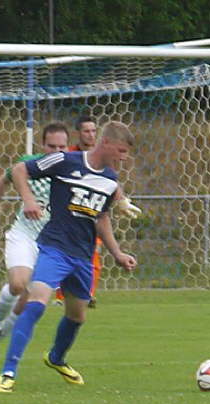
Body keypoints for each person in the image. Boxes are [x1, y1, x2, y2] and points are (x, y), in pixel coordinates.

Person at [0, 121, 137, 393]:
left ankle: (56, 358)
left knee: (77, 316)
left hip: (82, 256)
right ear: (105, 143)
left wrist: (117, 252)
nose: (123, 157)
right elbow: (19, 169)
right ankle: (8, 370)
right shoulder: (65, 160)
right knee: (37, 301)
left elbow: (101, 217)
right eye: (120, 150)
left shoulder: (110, 180)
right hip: (55, 247)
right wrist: (28, 200)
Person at [0, 122, 70, 363]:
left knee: (31, 300)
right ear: (42, 145)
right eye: (52, 146)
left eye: (62, 147)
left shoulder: (74, 170)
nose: (57, 152)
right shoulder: (31, 164)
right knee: (19, 285)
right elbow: (2, 181)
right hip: (25, 235)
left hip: (52, 244)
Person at [55, 116, 140, 308]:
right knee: (62, 254)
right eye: (86, 131)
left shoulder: (106, 159)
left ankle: (86, 294)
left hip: (92, 211)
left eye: (94, 131)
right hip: (67, 213)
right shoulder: (70, 156)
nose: (90, 135)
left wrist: (122, 201)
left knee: (93, 249)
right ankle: (61, 295)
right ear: (78, 134)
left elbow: (109, 181)